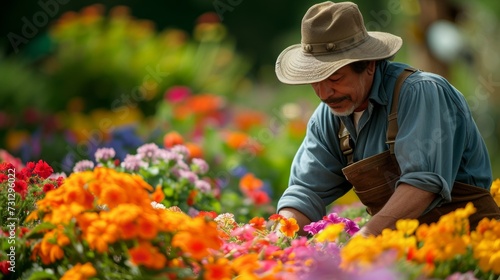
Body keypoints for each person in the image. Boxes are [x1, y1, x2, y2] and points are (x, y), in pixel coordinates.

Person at [275, 1, 500, 237]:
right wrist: (281, 237)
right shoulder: (329, 115)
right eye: (315, 81)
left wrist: (362, 241)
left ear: (369, 65)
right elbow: (304, 191)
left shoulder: (421, 93)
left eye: (335, 78)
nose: (323, 93)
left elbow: (422, 184)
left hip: (467, 250)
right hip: (396, 249)